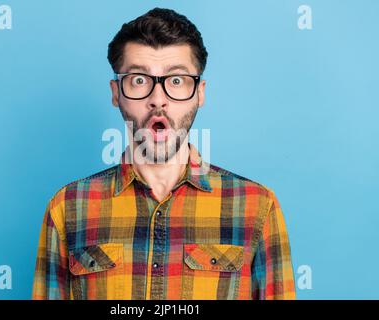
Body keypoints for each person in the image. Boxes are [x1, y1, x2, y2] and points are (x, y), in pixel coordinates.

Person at [32, 7, 296, 300]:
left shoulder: (257, 207)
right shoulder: (67, 209)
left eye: (177, 81)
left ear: (200, 93)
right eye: (139, 80)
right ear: (116, 92)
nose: (158, 100)